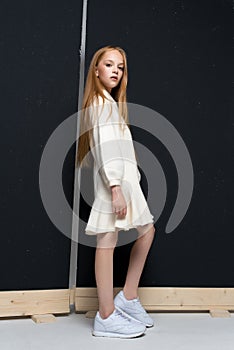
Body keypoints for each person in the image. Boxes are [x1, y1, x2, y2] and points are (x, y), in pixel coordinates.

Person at [77, 45, 156, 338]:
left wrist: (127, 181)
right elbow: (104, 147)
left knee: (146, 231)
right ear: (96, 70)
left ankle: (129, 297)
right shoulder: (100, 104)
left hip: (125, 182)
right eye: (108, 65)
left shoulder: (109, 103)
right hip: (115, 184)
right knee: (107, 241)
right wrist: (114, 187)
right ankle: (106, 316)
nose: (115, 71)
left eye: (120, 67)